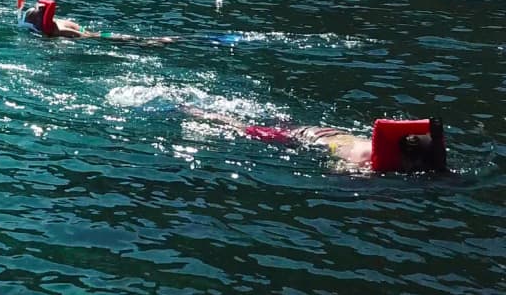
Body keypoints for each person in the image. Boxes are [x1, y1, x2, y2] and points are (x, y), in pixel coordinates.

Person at [184, 106, 447, 173]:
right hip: (306, 138)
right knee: (242, 128)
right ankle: (202, 114)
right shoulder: (368, 159)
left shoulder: (391, 149)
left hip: (326, 131)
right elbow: (337, 169)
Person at [17, 0, 176, 43]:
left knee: (98, 35)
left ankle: (143, 40)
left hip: (74, 32)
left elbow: (89, 36)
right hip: (73, 27)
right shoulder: (50, 19)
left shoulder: (58, 30)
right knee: (94, 33)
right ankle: (145, 40)